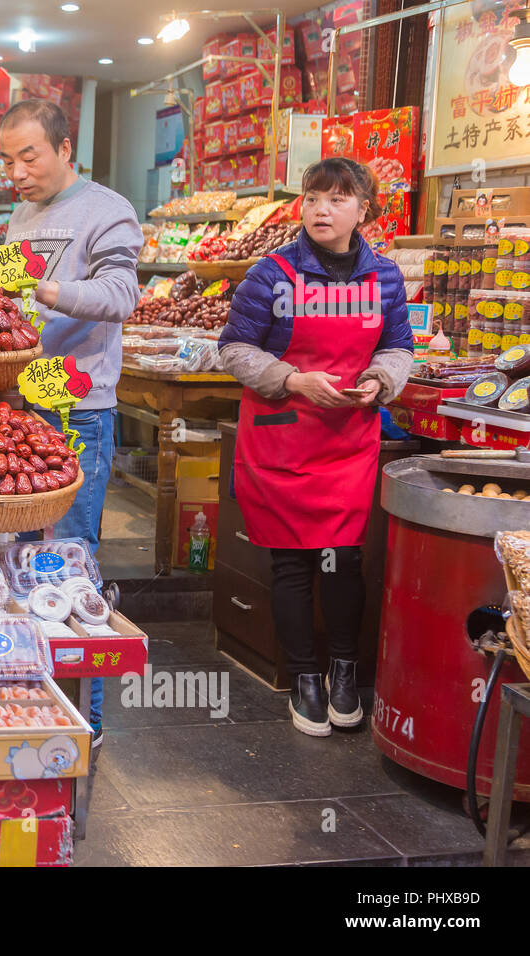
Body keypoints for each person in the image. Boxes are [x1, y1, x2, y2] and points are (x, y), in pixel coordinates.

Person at [218, 156, 412, 738]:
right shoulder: (271, 274)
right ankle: (305, 680)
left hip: (348, 441)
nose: (321, 210)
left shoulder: (384, 278)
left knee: (345, 560)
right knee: (294, 562)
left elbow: (399, 347)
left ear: (363, 210)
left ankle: (345, 675)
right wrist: (293, 380)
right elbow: (233, 349)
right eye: (312, 198)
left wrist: (380, 380)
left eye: (336, 199)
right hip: (284, 440)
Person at [0, 98, 144, 750]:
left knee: (70, 560)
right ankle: (34, 699)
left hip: (78, 412)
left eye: (28, 155)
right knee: (20, 561)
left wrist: (44, 288)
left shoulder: (106, 210)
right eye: (8, 158)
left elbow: (120, 297)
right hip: (24, 405)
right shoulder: (20, 215)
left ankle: (87, 723)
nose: (17, 171)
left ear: (64, 149)